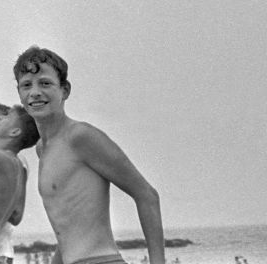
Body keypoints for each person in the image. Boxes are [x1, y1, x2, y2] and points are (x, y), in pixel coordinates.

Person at [13, 46, 164, 264]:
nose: (35, 92)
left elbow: (147, 195)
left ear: (65, 90)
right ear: (19, 93)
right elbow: (69, 231)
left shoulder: (81, 137)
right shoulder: (42, 149)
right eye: (26, 85)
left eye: (45, 83)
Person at [0, 104, 38, 262]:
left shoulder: (2, 159)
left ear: (14, 132)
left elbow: (16, 215)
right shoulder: (8, 158)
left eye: (5, 117)